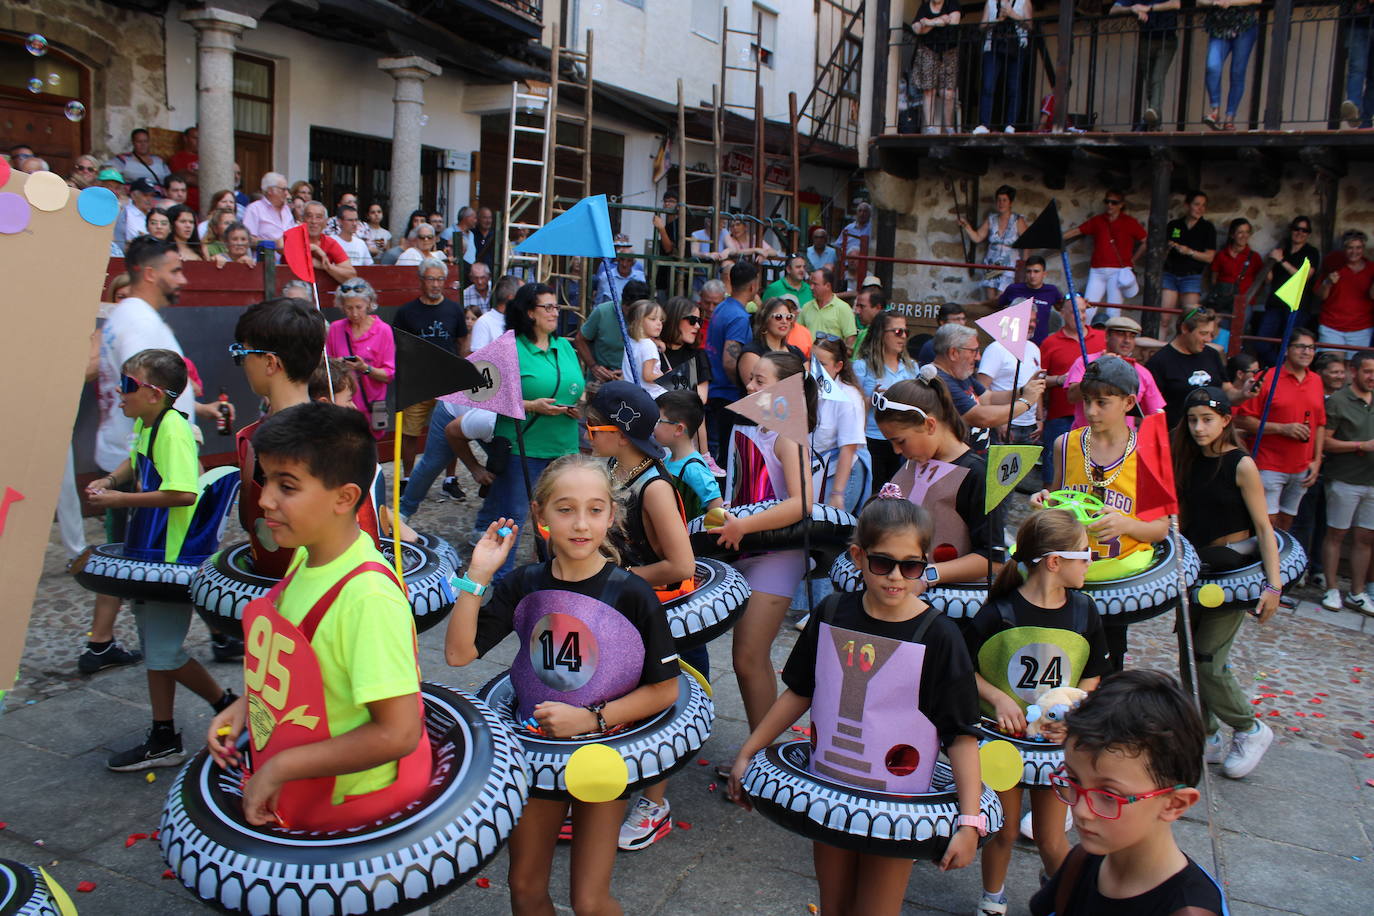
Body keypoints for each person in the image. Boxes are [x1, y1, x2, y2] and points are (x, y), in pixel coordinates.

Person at [445, 457, 680, 915]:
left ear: (611, 516)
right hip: (536, 749)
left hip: (605, 751)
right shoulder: (524, 583)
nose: (580, 524)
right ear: (541, 515)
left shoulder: (631, 593)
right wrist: (477, 576)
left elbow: (665, 690)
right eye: (565, 509)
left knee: (589, 902)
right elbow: (458, 654)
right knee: (525, 887)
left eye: (595, 510)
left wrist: (589, 718)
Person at [728, 494, 983, 914]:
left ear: (925, 563)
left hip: (897, 803)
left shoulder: (940, 636)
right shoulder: (831, 611)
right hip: (831, 787)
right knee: (834, 905)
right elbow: (799, 691)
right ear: (858, 557)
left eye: (912, 565)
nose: (896, 576)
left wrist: (970, 821)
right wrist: (748, 752)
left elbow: (960, 734)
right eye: (883, 562)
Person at [207, 402, 429, 830]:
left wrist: (279, 767)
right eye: (265, 480)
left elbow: (398, 733)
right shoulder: (305, 558)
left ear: (345, 497)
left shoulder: (368, 599)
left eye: (286, 486)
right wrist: (243, 707)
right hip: (303, 784)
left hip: (353, 806)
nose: (265, 499)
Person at [95, 349, 236, 771]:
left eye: (127, 386)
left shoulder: (173, 430)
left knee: (164, 653)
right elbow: (137, 457)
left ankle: (223, 704)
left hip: (168, 561)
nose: (119, 394)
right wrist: (112, 479)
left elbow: (183, 492)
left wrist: (122, 498)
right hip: (149, 555)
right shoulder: (149, 423)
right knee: (157, 651)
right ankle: (163, 733)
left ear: (155, 394)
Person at [967, 509, 1111, 916]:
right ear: (1054, 562)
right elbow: (963, 669)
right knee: (1004, 830)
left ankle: (1064, 899)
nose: (1090, 560)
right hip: (1004, 743)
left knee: (1051, 837)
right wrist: (998, 698)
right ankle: (992, 900)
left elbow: (1094, 675)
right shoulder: (999, 612)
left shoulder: (1085, 610)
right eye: (1085, 553)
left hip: (1054, 746)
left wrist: (1072, 712)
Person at [583, 382, 697, 850]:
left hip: (655, 613)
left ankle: (655, 803)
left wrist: (620, 577)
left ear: (622, 434)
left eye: (593, 427)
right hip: (618, 608)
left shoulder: (653, 486)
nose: (586, 434)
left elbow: (681, 565)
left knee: (658, 706)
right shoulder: (610, 468)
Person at [1030, 670, 1224, 915]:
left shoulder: (1187, 910)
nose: (1080, 810)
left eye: (1109, 795)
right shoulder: (1079, 863)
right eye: (1072, 779)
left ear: (1174, 804)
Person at [1172, 386, 1282, 778]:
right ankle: (1207, 733)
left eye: (1208, 419)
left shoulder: (1241, 464)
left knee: (1207, 657)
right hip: (1195, 569)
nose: (1200, 428)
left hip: (1233, 575)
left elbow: (1265, 529)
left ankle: (1251, 728)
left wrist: (1274, 586)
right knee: (1188, 655)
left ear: (1225, 420)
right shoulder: (1184, 459)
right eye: (1193, 419)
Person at [1037, 355, 1170, 670]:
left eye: (1102, 402)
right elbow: (1057, 500)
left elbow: (1160, 528)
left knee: (1107, 666)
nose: (1091, 411)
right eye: (1086, 401)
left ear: (1128, 403)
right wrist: (1044, 504)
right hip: (1068, 575)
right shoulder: (1064, 444)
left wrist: (1125, 523)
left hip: (1115, 578)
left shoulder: (1149, 454)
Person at [721, 351, 817, 729]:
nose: (750, 386)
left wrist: (744, 525)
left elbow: (803, 503)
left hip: (776, 557)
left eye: (760, 381)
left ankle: (758, 756)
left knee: (748, 657)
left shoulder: (788, 436)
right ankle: (755, 750)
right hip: (748, 550)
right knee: (745, 659)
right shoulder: (758, 428)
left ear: (785, 390)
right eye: (752, 379)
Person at [472, 284, 583, 581]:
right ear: (529, 313)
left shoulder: (565, 347)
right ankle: (498, 582)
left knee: (561, 517)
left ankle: (553, 576)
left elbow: (577, 389)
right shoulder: (509, 348)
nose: (554, 312)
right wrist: (532, 405)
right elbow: (484, 393)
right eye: (547, 307)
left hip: (564, 447)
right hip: (524, 449)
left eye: (556, 307)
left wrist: (577, 406)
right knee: (512, 519)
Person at [874, 370, 1006, 584]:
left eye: (900, 441)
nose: (896, 451)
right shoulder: (912, 462)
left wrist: (927, 575)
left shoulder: (977, 475)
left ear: (929, 425)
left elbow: (993, 559)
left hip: (948, 602)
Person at [231, 297, 328, 579]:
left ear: (270, 363)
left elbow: (251, 519)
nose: (243, 363)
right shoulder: (339, 431)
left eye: (243, 353)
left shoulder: (260, 440)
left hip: (289, 586)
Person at [1234, 328, 1326, 531]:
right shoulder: (1266, 378)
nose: (1307, 352)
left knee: (1286, 522)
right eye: (1300, 347)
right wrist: (1282, 429)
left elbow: (1320, 423)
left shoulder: (1317, 380)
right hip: (1269, 464)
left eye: (1311, 347)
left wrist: (1317, 459)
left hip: (1302, 465)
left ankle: (1281, 562)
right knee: (1266, 523)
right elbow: (1242, 420)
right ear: (1286, 350)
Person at [392, 258, 468, 482]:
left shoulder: (454, 309)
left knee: (452, 429)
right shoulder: (407, 312)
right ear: (421, 280)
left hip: (448, 381)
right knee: (410, 432)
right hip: (418, 382)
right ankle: (407, 478)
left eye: (440, 279)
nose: (436, 284)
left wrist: (460, 367)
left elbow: (462, 339)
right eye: (431, 279)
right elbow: (397, 342)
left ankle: (450, 478)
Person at [1319, 350, 1374, 613]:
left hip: (1371, 480)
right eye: (1367, 371)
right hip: (1345, 478)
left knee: (1365, 537)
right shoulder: (1339, 401)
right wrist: (1361, 445)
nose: (1372, 377)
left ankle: (1357, 591)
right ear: (1354, 371)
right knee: (1336, 534)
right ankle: (1331, 588)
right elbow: (1325, 441)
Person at [930, 323, 1046, 448]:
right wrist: (1026, 402)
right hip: (955, 465)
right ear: (953, 353)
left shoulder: (959, 375)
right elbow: (981, 417)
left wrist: (1023, 391)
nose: (978, 357)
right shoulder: (939, 380)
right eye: (974, 351)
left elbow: (989, 398)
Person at [1041, 297, 1107, 484]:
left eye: (1084, 311)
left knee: (1093, 474)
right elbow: (1038, 380)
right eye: (1074, 312)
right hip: (1061, 415)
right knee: (1054, 473)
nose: (1081, 316)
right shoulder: (1050, 342)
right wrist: (1060, 379)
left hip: (1095, 417)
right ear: (1062, 313)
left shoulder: (1102, 338)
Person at [1064, 315, 1166, 431]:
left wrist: (1141, 439)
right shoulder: (1085, 362)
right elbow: (1072, 397)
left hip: (1123, 445)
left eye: (1132, 336)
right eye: (1121, 334)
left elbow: (1155, 413)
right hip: (1084, 439)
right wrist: (1099, 369)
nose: (1127, 340)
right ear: (1107, 336)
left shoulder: (1143, 372)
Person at [855, 311, 921, 486]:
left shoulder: (912, 367)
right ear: (881, 334)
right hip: (873, 440)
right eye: (898, 332)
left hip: (906, 440)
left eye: (906, 332)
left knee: (900, 493)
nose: (904, 336)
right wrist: (872, 399)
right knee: (873, 493)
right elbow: (852, 408)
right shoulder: (862, 367)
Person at [705, 262, 760, 464]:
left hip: (715, 391)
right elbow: (730, 361)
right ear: (753, 286)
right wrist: (744, 388)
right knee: (725, 460)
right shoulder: (739, 317)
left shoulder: (722, 307)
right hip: (727, 395)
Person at [325, 278, 395, 434]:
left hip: (371, 408)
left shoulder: (383, 330)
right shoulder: (336, 328)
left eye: (359, 307)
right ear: (342, 306)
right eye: (349, 308)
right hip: (343, 408)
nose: (354, 313)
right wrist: (337, 365)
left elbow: (389, 375)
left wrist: (365, 368)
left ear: (369, 304)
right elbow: (327, 368)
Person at [1146, 307, 1237, 427]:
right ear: (1184, 328)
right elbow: (1152, 408)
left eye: (1211, 334)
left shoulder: (1212, 355)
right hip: (1176, 435)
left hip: (1212, 435)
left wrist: (1244, 393)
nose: (1208, 339)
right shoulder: (1159, 362)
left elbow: (1227, 392)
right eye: (1203, 333)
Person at [1063, 192, 1146, 322]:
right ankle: (1086, 338)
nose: (1109, 205)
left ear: (1121, 205)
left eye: (1114, 202)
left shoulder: (1130, 222)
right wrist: (1057, 238)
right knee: (1088, 307)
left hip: (1118, 271)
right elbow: (1078, 230)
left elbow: (1146, 241)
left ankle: (1110, 341)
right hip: (1097, 270)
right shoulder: (1098, 220)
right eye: (1107, 201)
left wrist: (1133, 260)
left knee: (1113, 310)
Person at [813, 336, 871, 510]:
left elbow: (848, 447)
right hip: (816, 472)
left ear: (838, 366)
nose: (814, 368)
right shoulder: (809, 387)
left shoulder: (849, 398)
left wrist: (837, 494)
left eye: (822, 364)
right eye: (812, 360)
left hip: (840, 473)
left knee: (832, 530)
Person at [977, 307, 1044, 445]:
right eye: (1028, 320)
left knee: (1024, 466)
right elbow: (980, 389)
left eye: (1034, 320)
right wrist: (998, 422)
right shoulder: (996, 348)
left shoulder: (1034, 348)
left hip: (1029, 425)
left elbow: (1037, 384)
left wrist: (1039, 418)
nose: (1032, 325)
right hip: (1005, 422)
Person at [1111, 0, 1182, 130]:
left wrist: (1149, 8)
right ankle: (1155, 123)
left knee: (1157, 77)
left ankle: (1153, 115)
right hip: (1146, 40)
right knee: (1149, 81)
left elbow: (1176, 4)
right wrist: (1132, 8)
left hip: (1167, 40)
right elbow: (1113, 10)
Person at [654, 390, 724, 518]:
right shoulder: (668, 459)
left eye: (659, 421)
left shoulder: (694, 469)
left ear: (679, 429)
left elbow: (717, 508)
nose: (654, 426)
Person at [972, 0, 1032, 135]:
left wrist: (1012, 14)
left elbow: (1030, 25)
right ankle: (984, 124)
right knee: (988, 85)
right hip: (993, 46)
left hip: (1017, 47)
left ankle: (1011, 124)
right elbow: (982, 26)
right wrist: (998, 19)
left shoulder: (1024, 2)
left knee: (1014, 86)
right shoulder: (991, 2)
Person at [1200, 0, 1261, 131]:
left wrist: (1230, 2)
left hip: (1244, 26)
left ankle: (1230, 118)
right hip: (1219, 27)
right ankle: (1215, 111)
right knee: (1212, 66)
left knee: (1237, 72)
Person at [959, 185, 1027, 298]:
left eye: (1004, 200)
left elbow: (1028, 243)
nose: (1001, 203)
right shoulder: (992, 219)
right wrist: (966, 226)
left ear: (1010, 202)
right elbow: (978, 237)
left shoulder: (1018, 220)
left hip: (1009, 264)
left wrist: (1024, 264)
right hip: (992, 263)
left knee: (1002, 299)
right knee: (991, 301)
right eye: (999, 200)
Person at [1317, 229, 1374, 352]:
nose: (1354, 252)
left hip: (1361, 328)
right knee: (1331, 365)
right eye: (1350, 247)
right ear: (1344, 249)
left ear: (1363, 249)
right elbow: (1321, 296)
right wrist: (1328, 282)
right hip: (1331, 326)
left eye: (1358, 248)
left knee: (1355, 367)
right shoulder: (1334, 265)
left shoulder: (1371, 269)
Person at [910, 0, 963, 133]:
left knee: (948, 92)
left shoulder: (952, 4)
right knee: (929, 90)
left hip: (949, 52)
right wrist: (938, 21)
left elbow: (954, 22)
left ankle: (949, 127)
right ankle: (930, 127)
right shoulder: (924, 7)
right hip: (928, 51)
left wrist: (927, 23)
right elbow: (917, 29)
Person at [1162, 191, 1216, 316]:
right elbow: (1162, 253)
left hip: (1191, 276)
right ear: (1187, 205)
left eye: (1203, 205)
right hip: (1170, 274)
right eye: (1197, 204)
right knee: (1163, 318)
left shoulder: (1207, 228)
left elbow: (1209, 257)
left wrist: (1189, 252)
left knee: (1189, 319)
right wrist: (1168, 248)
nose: (1200, 208)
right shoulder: (1174, 225)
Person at [739, 297, 805, 387]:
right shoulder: (752, 353)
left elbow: (805, 386)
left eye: (789, 317)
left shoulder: (796, 352)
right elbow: (755, 392)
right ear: (765, 320)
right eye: (778, 317)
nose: (784, 321)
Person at [1000, 256, 1063, 345]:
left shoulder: (1052, 291)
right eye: (1029, 271)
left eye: (1036, 271)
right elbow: (998, 305)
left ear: (1044, 274)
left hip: (1040, 345)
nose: (1032, 275)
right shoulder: (1013, 289)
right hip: (1014, 343)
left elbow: (1062, 307)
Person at [799, 267, 858, 347]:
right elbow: (798, 331)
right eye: (810, 283)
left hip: (831, 358)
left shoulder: (843, 308)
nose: (811, 287)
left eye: (815, 284)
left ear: (827, 286)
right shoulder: (807, 306)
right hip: (807, 357)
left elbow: (850, 338)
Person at [620, 298, 667, 397]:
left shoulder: (630, 342)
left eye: (661, 320)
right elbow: (648, 376)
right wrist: (666, 376)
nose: (659, 323)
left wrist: (656, 342)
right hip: (653, 396)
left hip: (632, 393)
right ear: (639, 322)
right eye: (653, 319)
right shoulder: (649, 346)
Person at [242, 172, 295, 245]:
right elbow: (247, 239)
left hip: (288, 255)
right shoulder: (254, 209)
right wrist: (273, 244)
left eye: (287, 189)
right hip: (264, 255)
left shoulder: (286, 210)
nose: (286, 193)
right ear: (270, 190)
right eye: (283, 189)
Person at [595, 236, 648, 303]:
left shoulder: (639, 274)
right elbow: (598, 297)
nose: (624, 264)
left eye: (629, 261)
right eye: (618, 246)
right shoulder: (605, 269)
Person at [838, 202, 873, 290]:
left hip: (865, 267)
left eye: (865, 211)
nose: (862, 213)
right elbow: (838, 246)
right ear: (856, 213)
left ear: (869, 214)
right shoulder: (848, 228)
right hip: (848, 267)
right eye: (860, 211)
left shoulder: (872, 229)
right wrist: (841, 262)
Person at [852, 285, 888, 352]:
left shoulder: (886, 334)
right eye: (857, 306)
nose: (857, 311)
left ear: (878, 308)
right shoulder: (864, 332)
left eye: (862, 306)